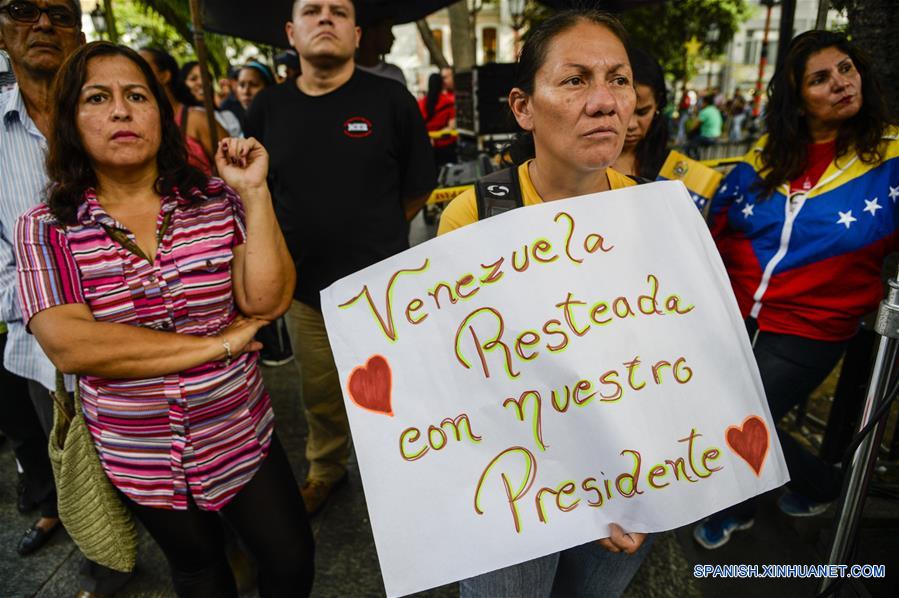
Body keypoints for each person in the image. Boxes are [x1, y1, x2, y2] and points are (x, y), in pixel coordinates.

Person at [14, 41, 314, 595]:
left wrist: (254, 192)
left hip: (237, 424)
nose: (121, 111)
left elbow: (266, 304)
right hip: (137, 448)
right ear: (70, 120)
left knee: (291, 558)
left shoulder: (214, 199)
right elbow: (72, 346)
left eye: (137, 96)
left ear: (161, 112)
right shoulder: (46, 226)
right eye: (97, 98)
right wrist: (219, 346)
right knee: (197, 568)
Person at [438, 10, 651, 597]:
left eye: (619, 80)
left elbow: (670, 367)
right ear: (523, 107)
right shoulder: (474, 216)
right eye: (575, 79)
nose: (604, 102)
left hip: (627, 478)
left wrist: (640, 483)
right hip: (516, 485)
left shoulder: (656, 215)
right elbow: (458, 385)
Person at [693, 30, 899, 550]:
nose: (841, 83)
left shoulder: (893, 155)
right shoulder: (768, 153)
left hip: (812, 326)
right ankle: (796, 487)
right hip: (736, 312)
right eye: (820, 78)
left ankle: (794, 492)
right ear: (797, 98)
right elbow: (719, 219)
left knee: (740, 418)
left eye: (846, 69)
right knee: (720, 411)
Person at [244, 0, 436, 515]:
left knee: (395, 392)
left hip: (382, 289)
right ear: (291, 32)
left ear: (356, 33)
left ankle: (403, 474)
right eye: (312, 11)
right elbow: (256, 193)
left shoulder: (391, 100)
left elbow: (418, 186)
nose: (325, 18)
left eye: (338, 11)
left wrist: (373, 234)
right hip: (304, 289)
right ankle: (326, 470)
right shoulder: (267, 108)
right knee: (321, 394)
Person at [140, 47, 228, 175]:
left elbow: (232, 166)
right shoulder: (139, 124)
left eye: (142, 65)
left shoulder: (196, 119)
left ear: (165, 76)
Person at [612, 46, 668, 180]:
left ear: (658, 103)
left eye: (642, 112)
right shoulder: (578, 165)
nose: (631, 125)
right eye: (620, 111)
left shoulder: (671, 166)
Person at [180, 59, 242, 137]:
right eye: (193, 79)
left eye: (206, 76)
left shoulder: (227, 116)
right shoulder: (184, 120)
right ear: (183, 83)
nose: (201, 82)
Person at [355, 8, 405, 86]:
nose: (393, 37)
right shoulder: (344, 75)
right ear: (370, 34)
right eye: (388, 30)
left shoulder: (395, 75)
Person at [418, 71, 457, 168]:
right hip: (446, 146)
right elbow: (452, 126)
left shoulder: (420, 103)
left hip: (427, 146)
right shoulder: (448, 102)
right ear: (441, 85)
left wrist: (429, 137)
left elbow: (417, 125)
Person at [685, 92, 722, 159]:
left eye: (702, 102)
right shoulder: (716, 110)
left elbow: (694, 126)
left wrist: (689, 131)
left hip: (708, 137)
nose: (701, 104)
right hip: (717, 136)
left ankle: (695, 159)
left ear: (705, 103)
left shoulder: (705, 111)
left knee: (689, 146)